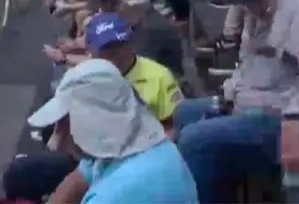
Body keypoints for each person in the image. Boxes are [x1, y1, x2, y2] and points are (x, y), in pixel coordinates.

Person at [171, 0, 299, 203]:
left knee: (197, 139)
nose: (247, 1)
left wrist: (296, 119)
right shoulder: (253, 6)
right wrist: (225, 98)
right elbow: (246, 65)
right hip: (249, 102)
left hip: (284, 115)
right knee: (185, 113)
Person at [26, 59, 197, 204]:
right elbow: (77, 179)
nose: (55, 143)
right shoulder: (133, 142)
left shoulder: (111, 196)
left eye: (65, 124)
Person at [84, 11, 184, 136]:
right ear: (92, 51)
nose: (114, 53)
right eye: (106, 47)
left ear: (130, 43)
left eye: (119, 45)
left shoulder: (159, 76)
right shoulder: (85, 79)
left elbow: (174, 128)